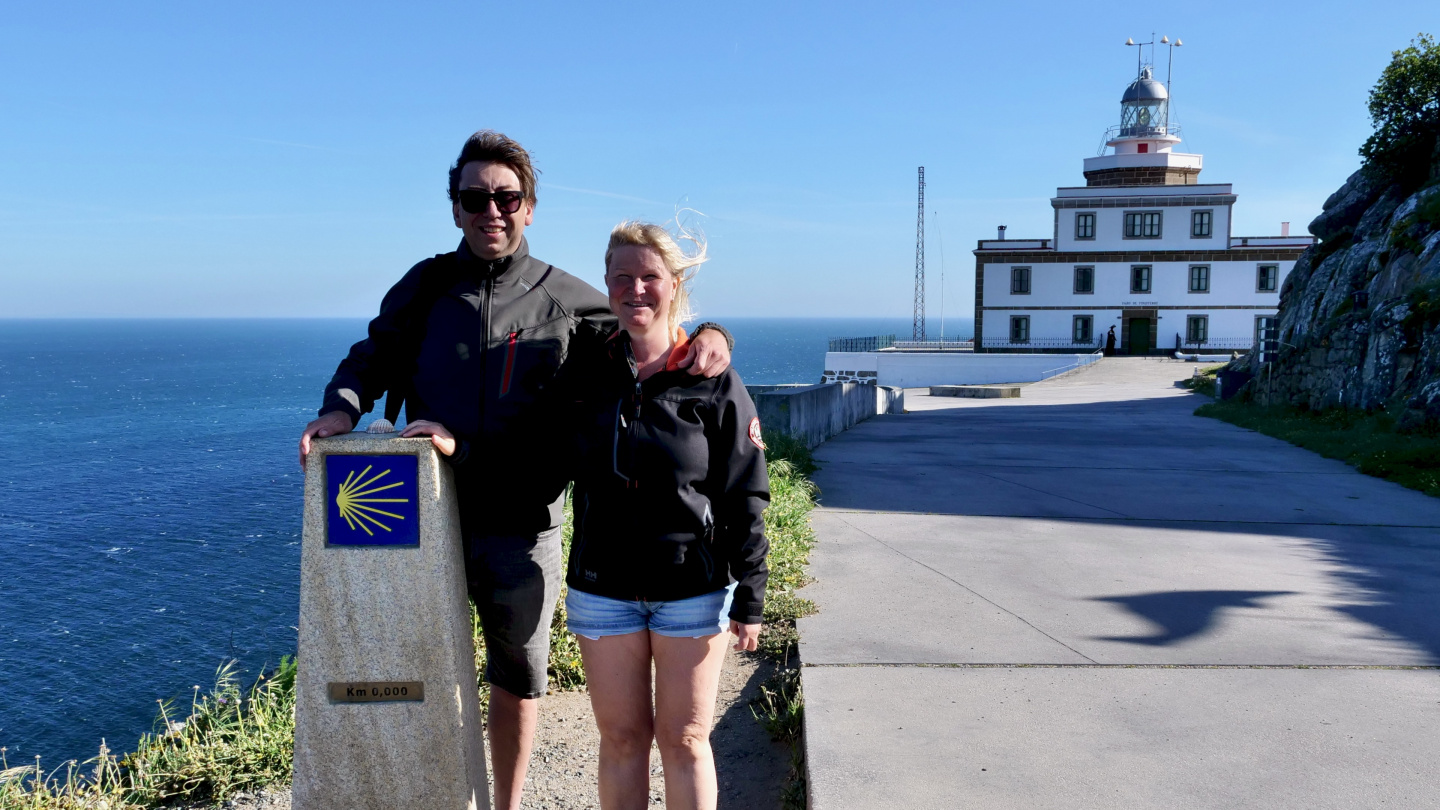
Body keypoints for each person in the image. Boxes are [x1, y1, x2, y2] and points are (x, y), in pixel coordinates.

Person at [296, 131, 735, 810]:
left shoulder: (567, 298)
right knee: (413, 668)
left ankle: (505, 805)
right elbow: (372, 355)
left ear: (530, 206)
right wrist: (340, 409)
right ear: (454, 207)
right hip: (424, 515)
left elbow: (649, 324)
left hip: (523, 522)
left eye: (506, 197)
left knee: (518, 675)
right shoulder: (426, 287)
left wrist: (715, 337)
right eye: (475, 197)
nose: (490, 210)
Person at [555, 221, 769, 810]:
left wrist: (750, 597)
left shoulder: (712, 377)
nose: (636, 289)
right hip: (603, 590)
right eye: (622, 277)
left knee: (686, 740)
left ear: (675, 284)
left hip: (692, 591)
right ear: (607, 284)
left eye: (651, 276)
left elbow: (745, 494)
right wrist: (452, 443)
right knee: (621, 739)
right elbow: (532, 444)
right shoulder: (584, 371)